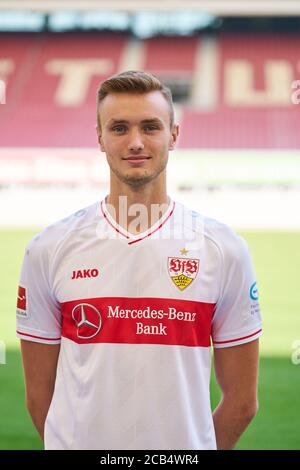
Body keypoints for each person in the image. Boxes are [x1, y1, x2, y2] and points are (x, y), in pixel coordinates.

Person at [16, 70, 262, 450]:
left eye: (150, 127)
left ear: (174, 135)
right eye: (118, 128)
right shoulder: (49, 248)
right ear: (99, 138)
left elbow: (243, 403)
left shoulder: (223, 249)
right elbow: (39, 397)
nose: (135, 142)